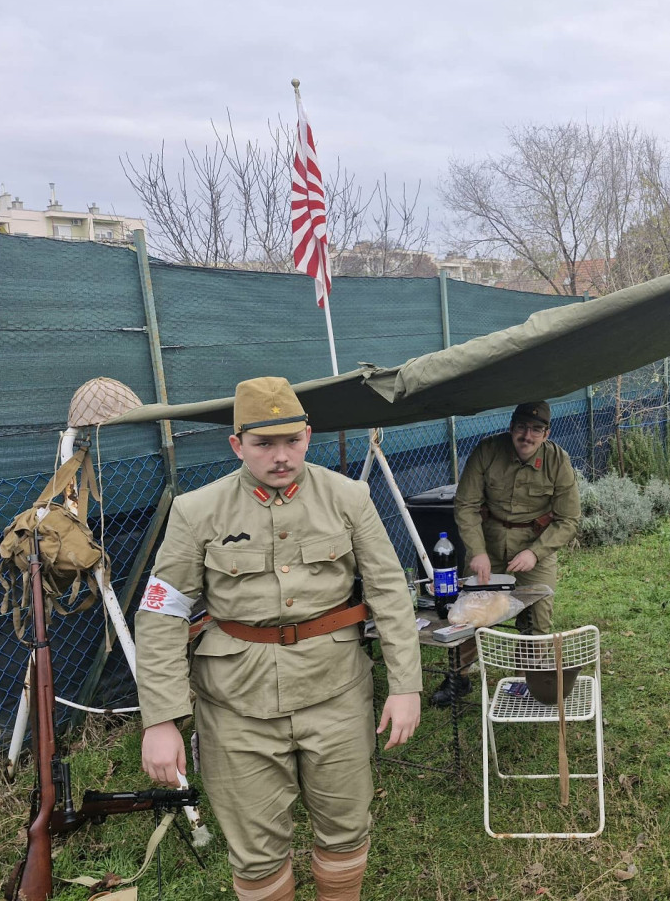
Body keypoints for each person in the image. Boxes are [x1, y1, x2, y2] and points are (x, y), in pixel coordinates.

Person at [136, 376, 422, 901]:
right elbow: (162, 613)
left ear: (308, 436)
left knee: (345, 831)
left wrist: (406, 686)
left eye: (291, 440)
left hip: (335, 692)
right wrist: (160, 719)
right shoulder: (197, 511)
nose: (281, 456)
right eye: (264, 444)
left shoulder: (349, 498)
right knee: (256, 854)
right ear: (237, 445)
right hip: (236, 707)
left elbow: (388, 591)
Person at [446, 401, 580, 706]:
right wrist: (477, 551)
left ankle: (525, 682)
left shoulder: (558, 461)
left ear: (546, 433)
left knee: (538, 617)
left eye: (536, 430)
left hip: (535, 545)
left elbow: (569, 520)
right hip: (488, 543)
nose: (527, 436)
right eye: (521, 427)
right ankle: (459, 677)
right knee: (468, 612)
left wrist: (536, 553)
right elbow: (466, 504)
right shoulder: (488, 451)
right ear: (511, 427)